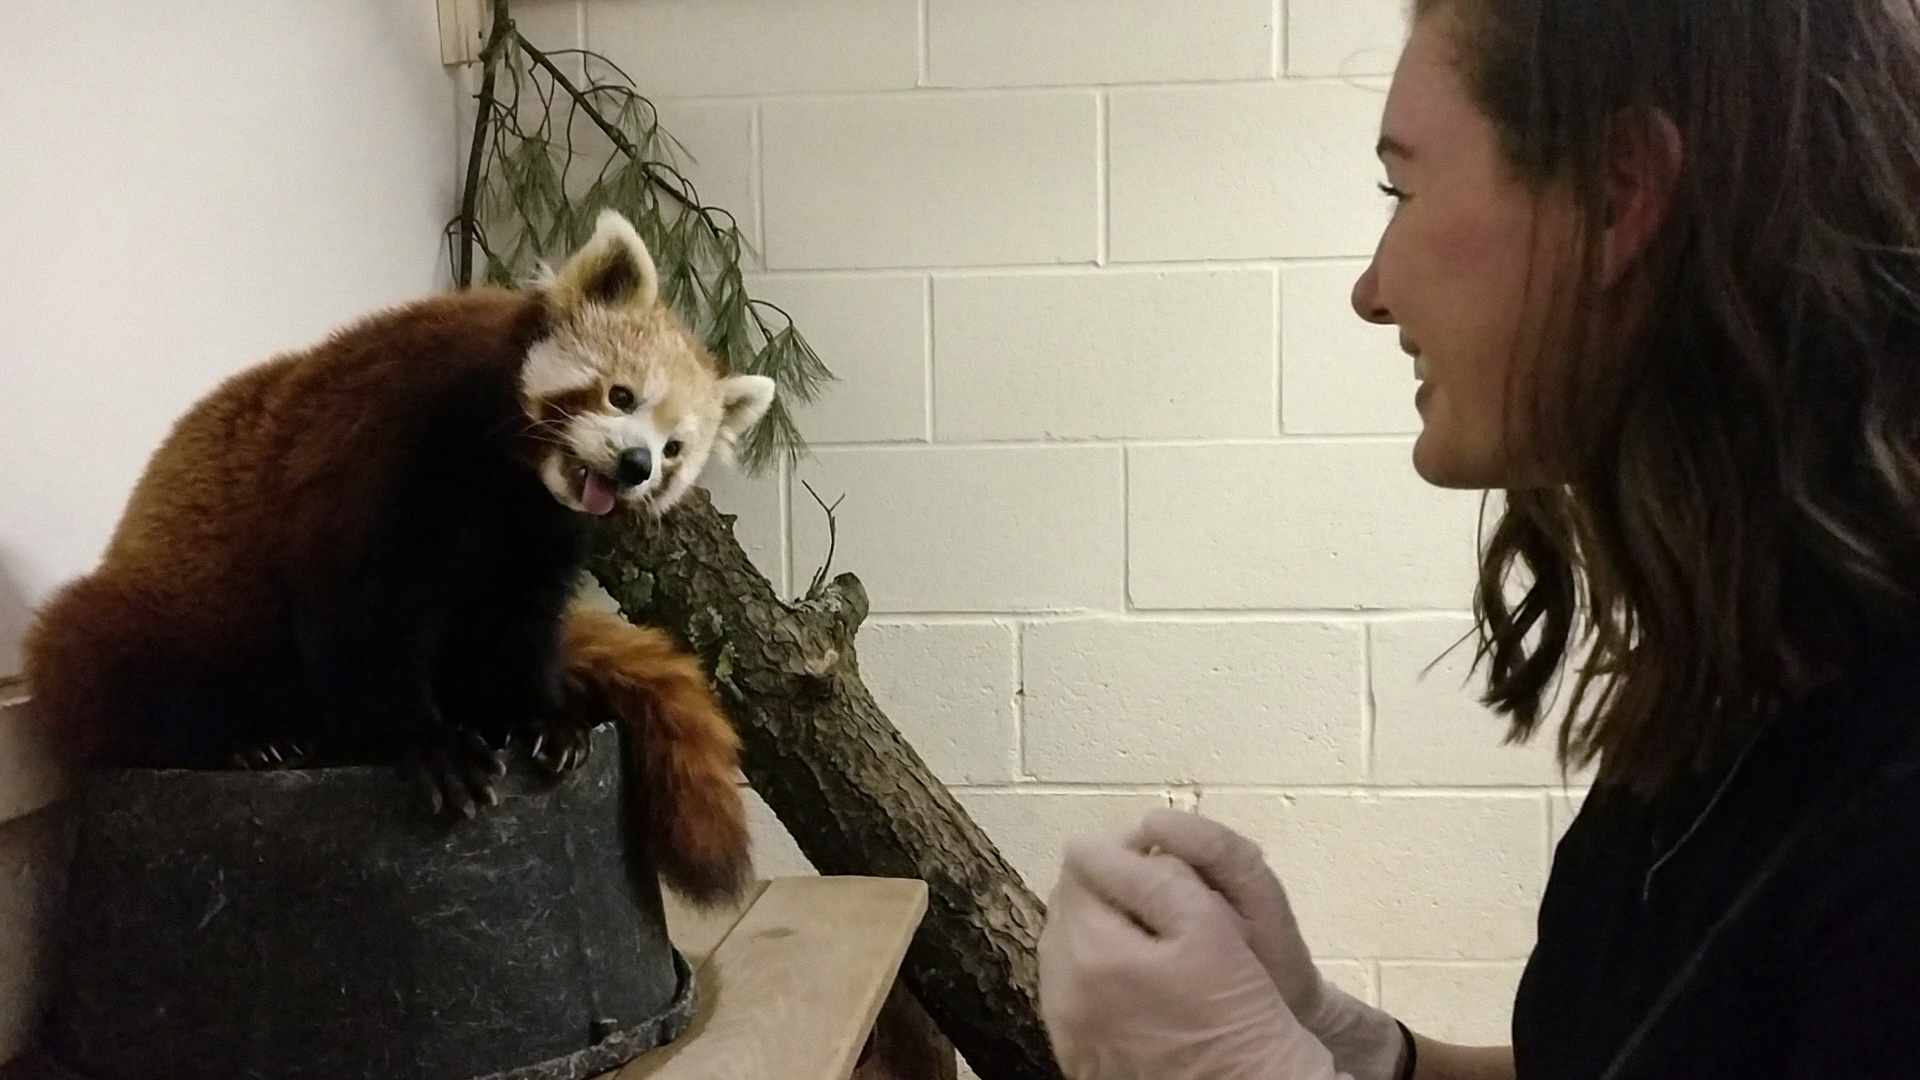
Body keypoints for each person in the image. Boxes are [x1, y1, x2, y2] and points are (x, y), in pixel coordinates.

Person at [1035, 0, 1920, 1078]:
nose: (1372, 290)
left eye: (1400, 189)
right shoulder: (1745, 671)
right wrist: (1360, 1051)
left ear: (1618, 193)